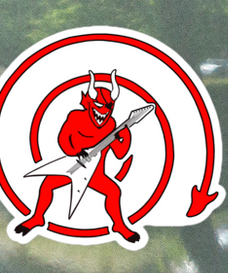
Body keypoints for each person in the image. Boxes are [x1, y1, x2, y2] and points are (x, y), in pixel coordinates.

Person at [17, 73, 143, 242]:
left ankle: (119, 225)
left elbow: (120, 153)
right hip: (71, 169)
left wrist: (125, 136)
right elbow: (63, 140)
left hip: (95, 176)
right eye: (99, 106)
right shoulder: (75, 117)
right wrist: (76, 151)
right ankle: (37, 218)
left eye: (108, 107)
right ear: (90, 104)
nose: (103, 112)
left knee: (114, 191)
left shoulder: (112, 124)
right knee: (47, 184)